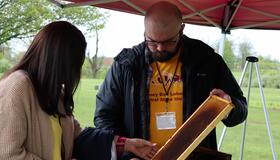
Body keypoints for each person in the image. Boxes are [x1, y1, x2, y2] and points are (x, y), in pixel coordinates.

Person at [0, 21, 157, 160]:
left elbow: (76, 135)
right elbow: (3, 156)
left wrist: (125, 144)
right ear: (60, 60)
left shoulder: (51, 91)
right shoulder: (15, 89)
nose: (75, 73)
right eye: (74, 64)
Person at [94, 1, 248, 159]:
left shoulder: (207, 61)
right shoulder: (126, 65)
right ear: (144, 32)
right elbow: (104, 116)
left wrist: (228, 106)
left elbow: (242, 107)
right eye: (152, 42)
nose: (160, 48)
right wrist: (127, 153)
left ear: (181, 29)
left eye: (168, 42)